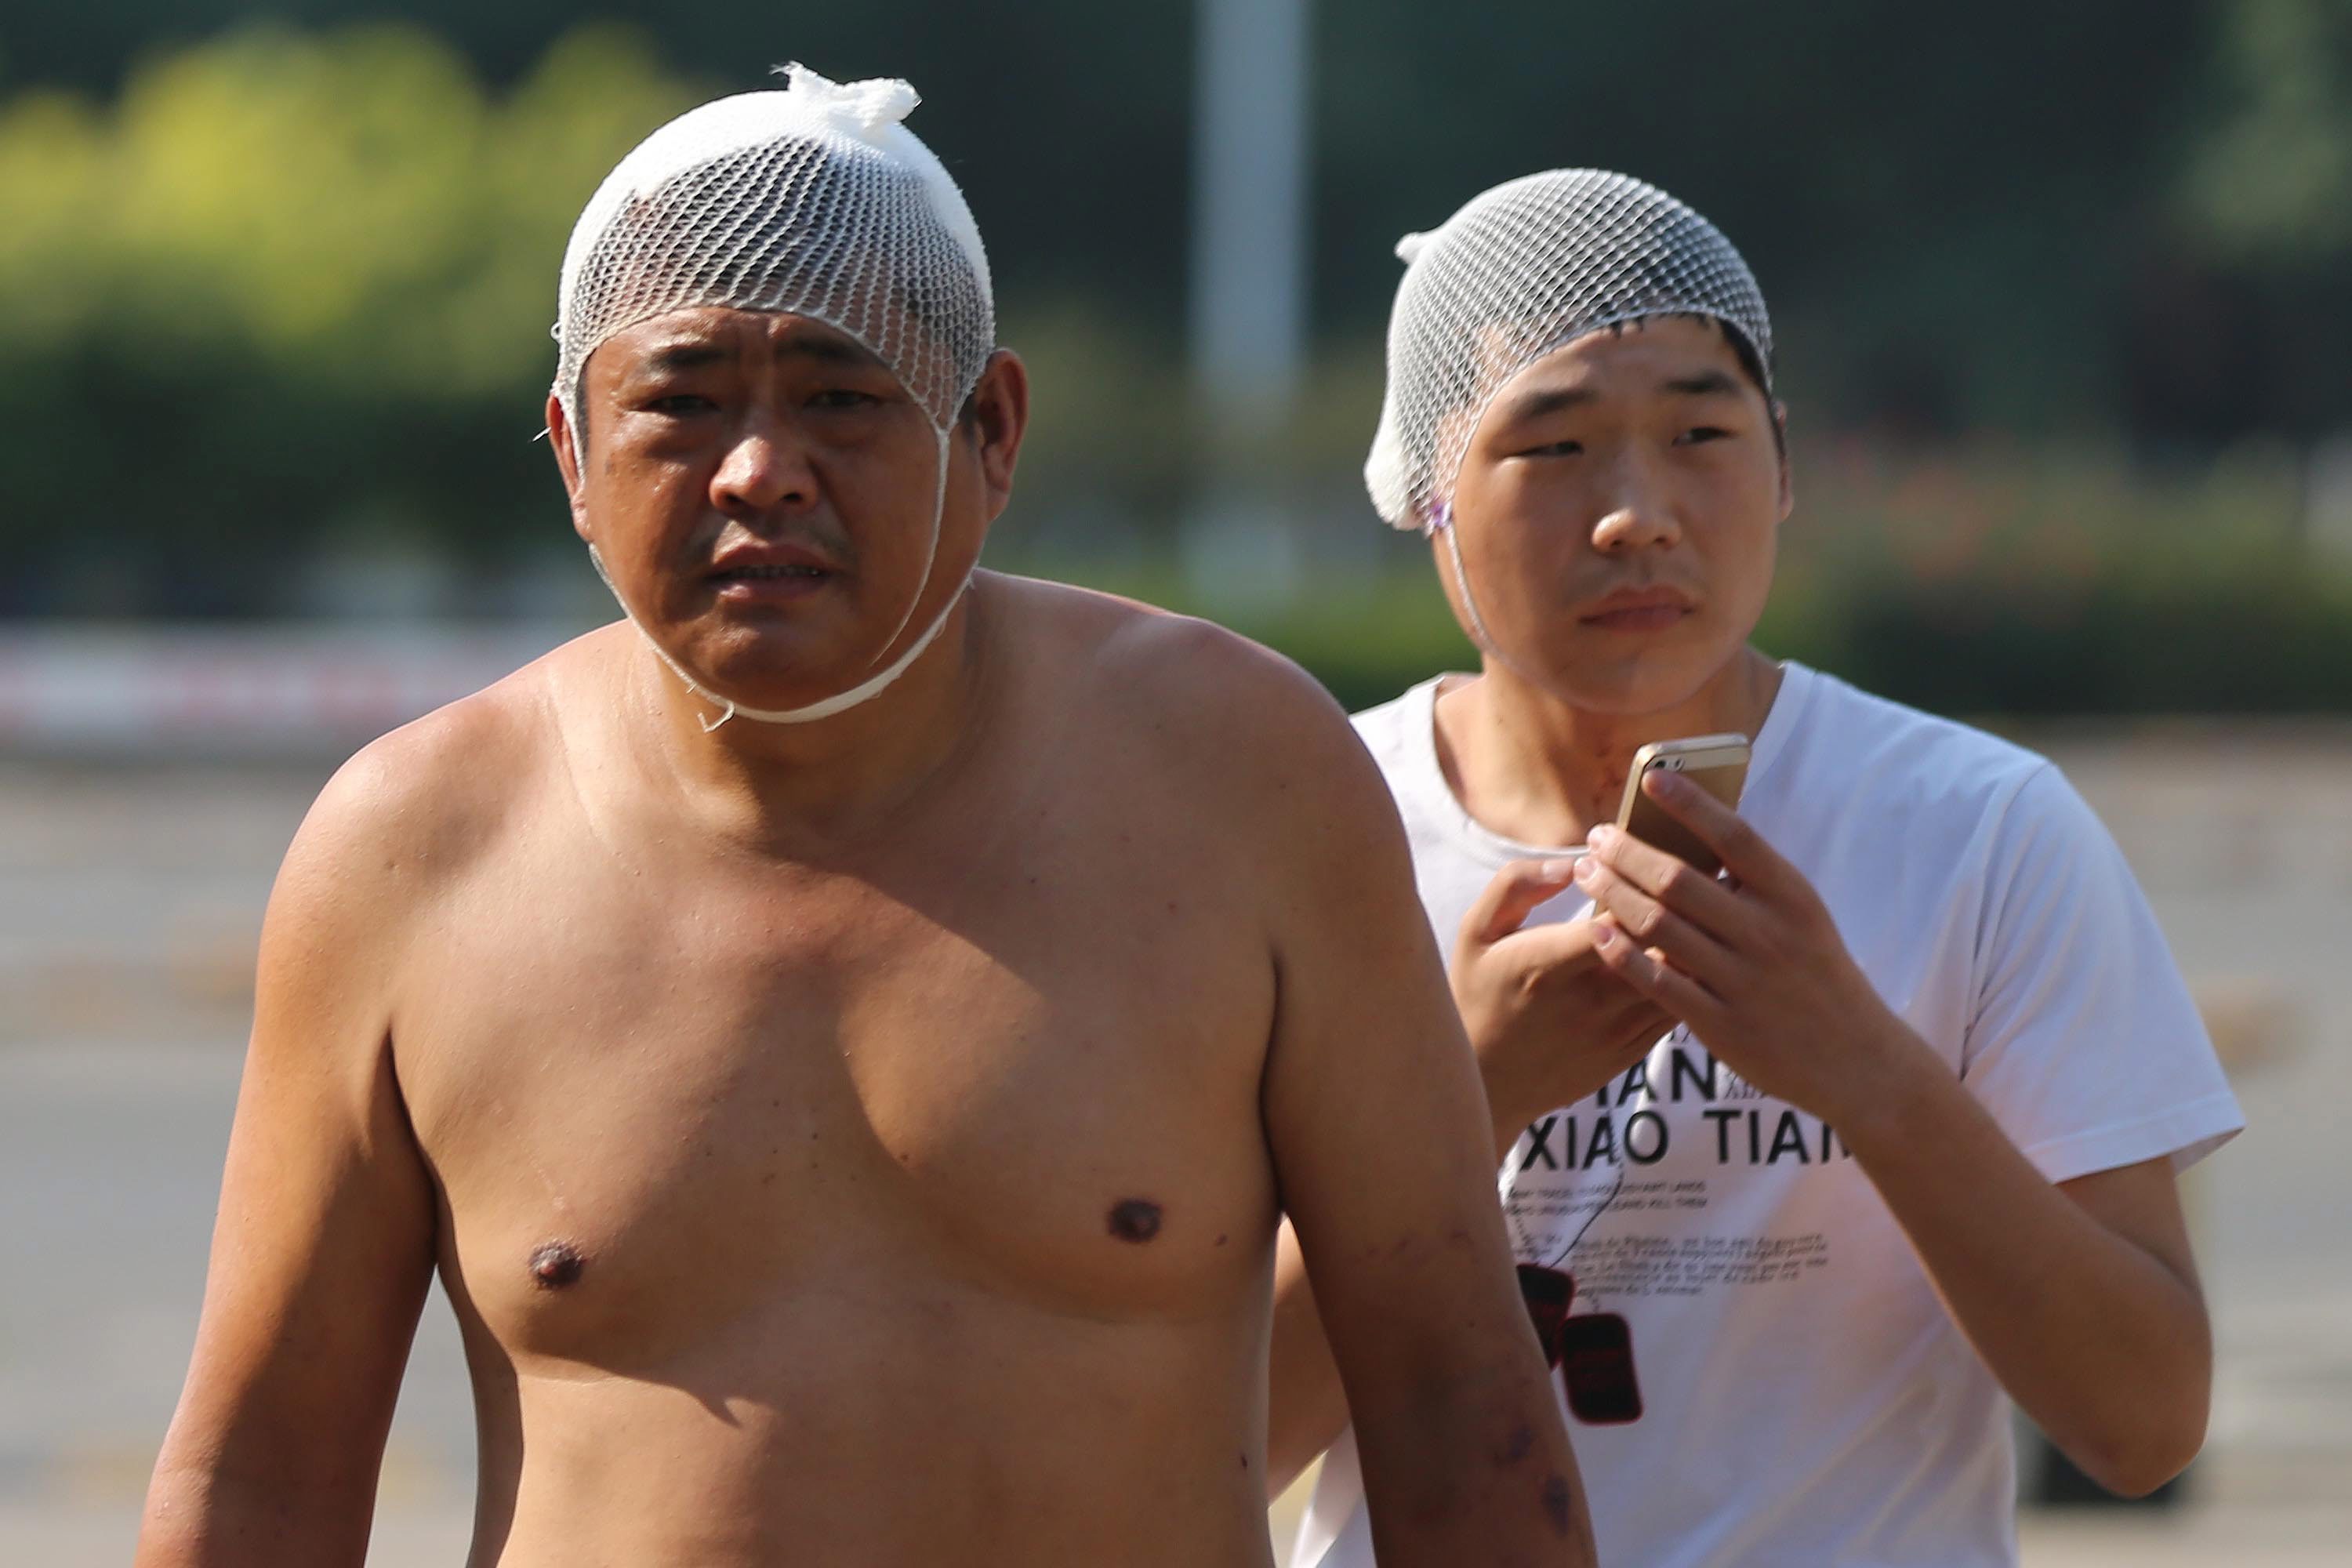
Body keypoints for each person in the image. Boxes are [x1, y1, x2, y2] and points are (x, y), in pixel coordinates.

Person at [134, 69, 1592, 1568]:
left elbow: (1454, 1400)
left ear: (994, 432)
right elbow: (262, 1477)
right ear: (572, 451)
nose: (760, 472)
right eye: (682, 406)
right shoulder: (413, 844)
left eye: (842, 397)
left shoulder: (1240, 778)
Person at [1272, 169, 2243, 1568]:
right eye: (1550, 448)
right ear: (1427, 494)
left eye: (1700, 432)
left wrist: (1858, 1062)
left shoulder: (1976, 827)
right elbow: (1207, 1431)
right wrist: (1465, 1102)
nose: (1637, 514)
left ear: (1783, 469)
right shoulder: (1315, 829)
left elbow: (2145, 1422)